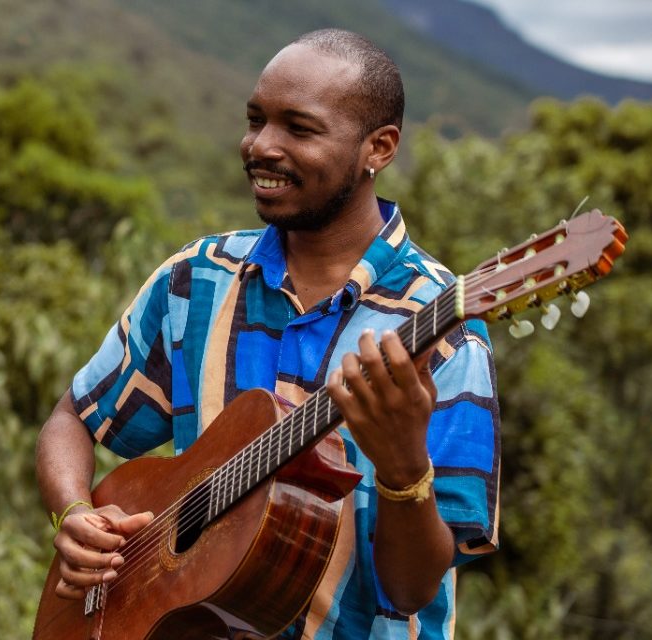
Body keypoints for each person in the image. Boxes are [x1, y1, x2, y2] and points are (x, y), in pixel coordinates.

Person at [36, 29, 500, 638]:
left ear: (378, 148)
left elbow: (412, 590)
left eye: (298, 129)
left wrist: (402, 465)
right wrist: (73, 512)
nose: (262, 147)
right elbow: (74, 418)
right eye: (256, 120)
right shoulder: (193, 281)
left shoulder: (446, 334)